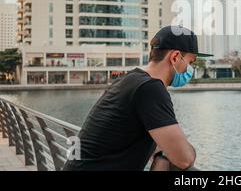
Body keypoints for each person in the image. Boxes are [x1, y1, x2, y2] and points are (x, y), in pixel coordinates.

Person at [63, 25, 213, 171]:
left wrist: (166, 150)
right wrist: (181, 149)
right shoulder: (150, 89)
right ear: (174, 57)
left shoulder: (130, 80)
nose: (190, 69)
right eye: (190, 62)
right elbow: (184, 159)